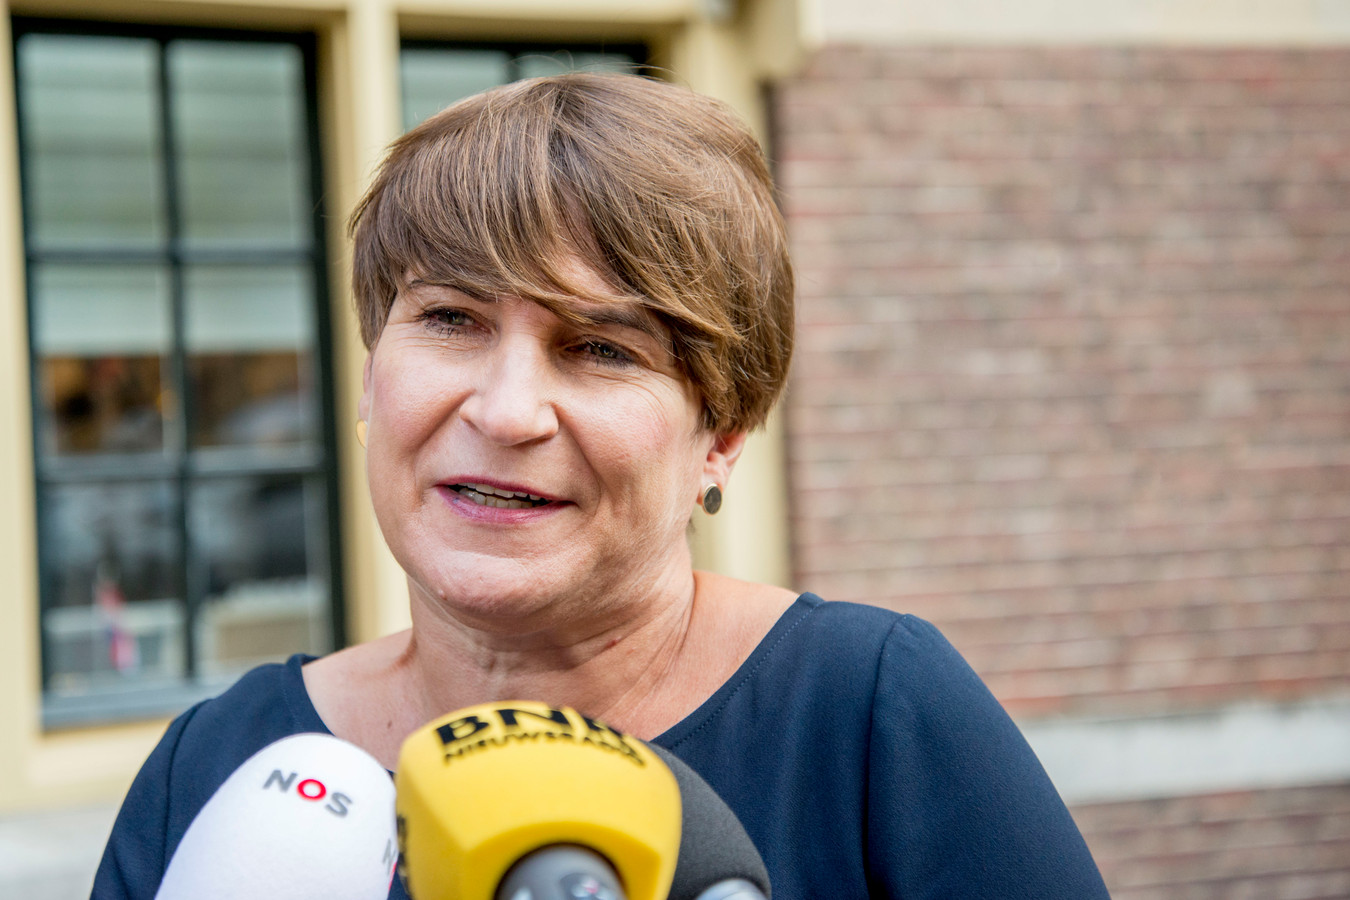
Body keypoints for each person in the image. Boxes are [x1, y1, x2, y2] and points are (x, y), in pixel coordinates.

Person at [92, 73, 1109, 899]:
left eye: (599, 348)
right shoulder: (214, 766)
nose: (505, 412)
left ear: (721, 438)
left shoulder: (870, 715)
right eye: (450, 319)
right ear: (369, 375)